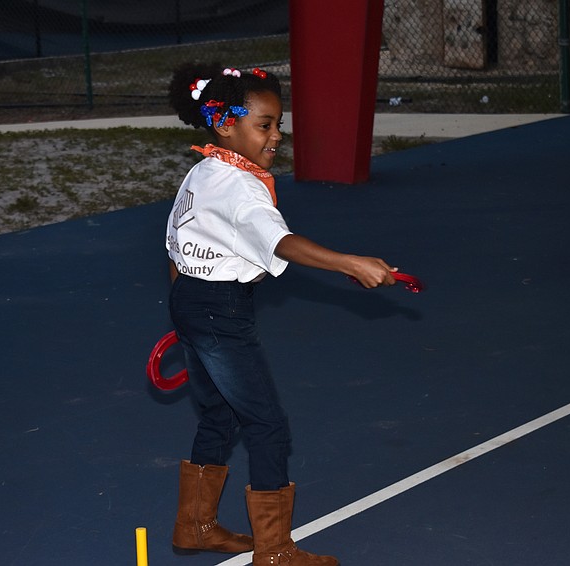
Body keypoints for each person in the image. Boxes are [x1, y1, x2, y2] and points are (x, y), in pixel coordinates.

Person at [165, 62, 396, 566]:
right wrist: (348, 263)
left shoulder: (204, 170)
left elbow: (176, 243)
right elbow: (280, 241)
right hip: (219, 312)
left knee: (219, 415)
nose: (276, 135)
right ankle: (274, 550)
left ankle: (195, 527)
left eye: (278, 124)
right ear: (226, 123)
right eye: (264, 125)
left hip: (193, 302)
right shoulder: (241, 187)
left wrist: (183, 311)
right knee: (266, 424)